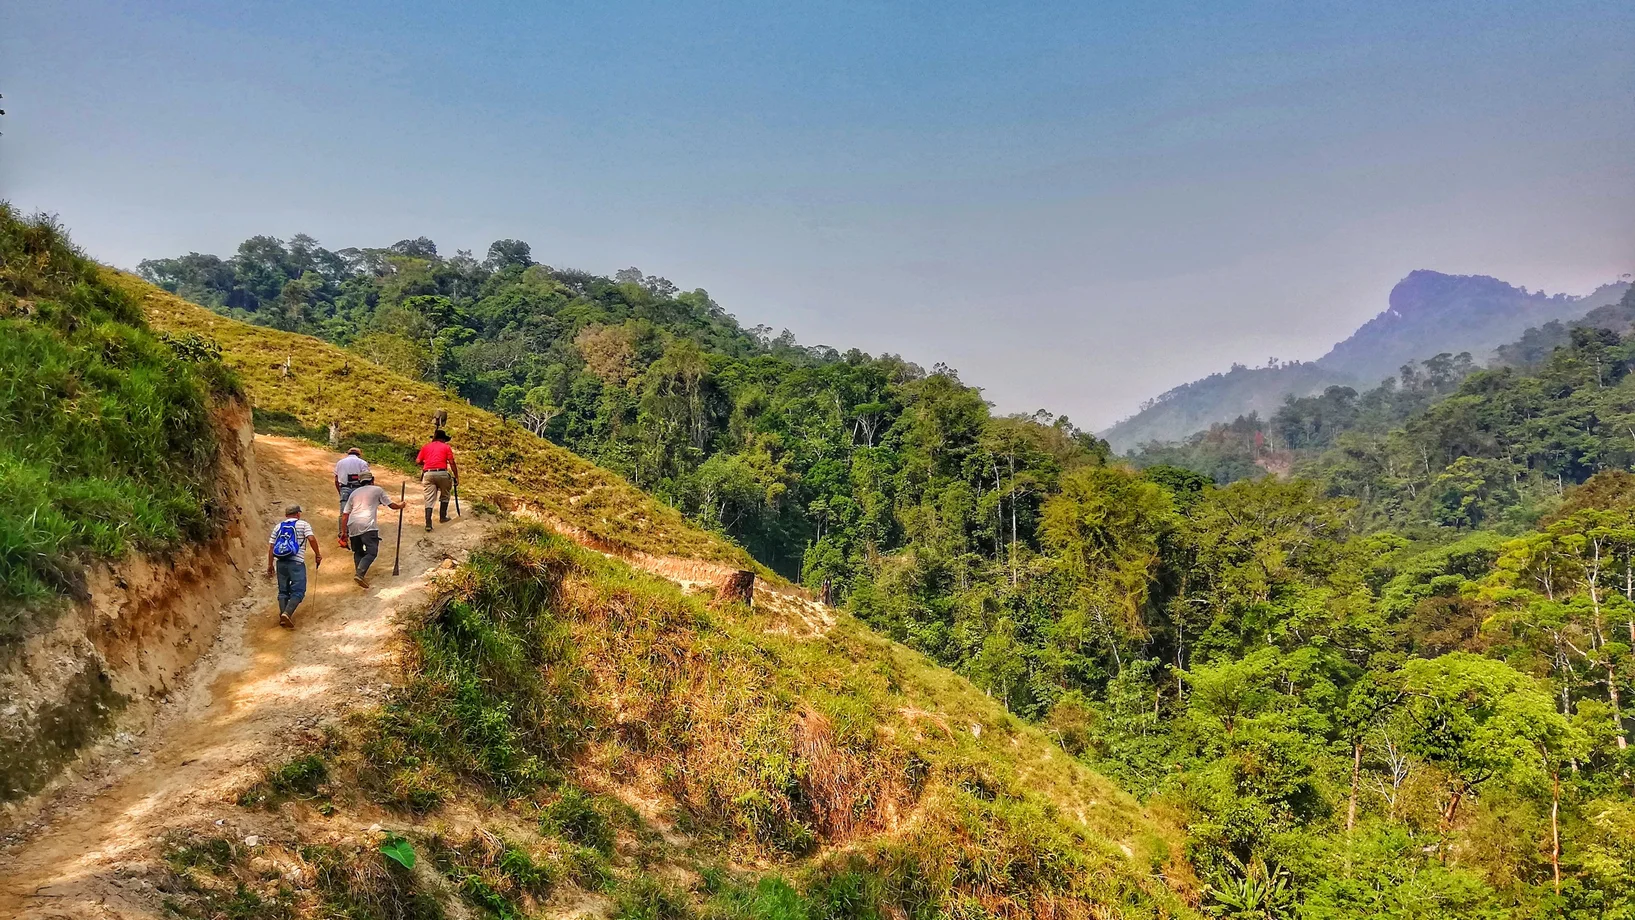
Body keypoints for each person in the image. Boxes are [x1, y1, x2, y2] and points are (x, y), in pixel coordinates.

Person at [340, 472, 403, 589]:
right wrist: (401, 506)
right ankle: (359, 573)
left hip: (352, 524)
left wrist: (344, 532)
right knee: (372, 551)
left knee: (358, 551)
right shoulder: (377, 490)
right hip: (367, 524)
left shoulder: (354, 493)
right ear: (372, 480)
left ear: (360, 482)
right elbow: (391, 505)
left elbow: (345, 514)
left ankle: (359, 574)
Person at [266, 504, 322, 628]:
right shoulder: (303, 524)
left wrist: (270, 565)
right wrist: (317, 554)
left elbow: (271, 547)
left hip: (280, 562)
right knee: (298, 590)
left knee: (283, 591)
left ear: (286, 515)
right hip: (296, 562)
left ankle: (282, 616)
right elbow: (311, 539)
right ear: (298, 514)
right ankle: (287, 613)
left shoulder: (278, 527)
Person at [415, 429, 460, 532]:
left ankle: (428, 523)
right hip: (442, 473)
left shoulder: (426, 447)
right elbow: (452, 462)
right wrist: (456, 476)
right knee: (445, 494)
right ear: (443, 439)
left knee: (429, 498)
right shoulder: (446, 447)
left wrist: (427, 464)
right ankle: (443, 517)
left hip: (428, 473)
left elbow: (418, 461)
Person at [333, 446, 370, 548]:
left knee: (344, 512)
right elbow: (367, 478)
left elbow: (336, 480)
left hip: (344, 488)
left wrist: (340, 491)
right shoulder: (362, 463)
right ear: (359, 454)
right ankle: (359, 534)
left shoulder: (340, 463)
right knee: (359, 511)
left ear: (348, 453)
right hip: (358, 489)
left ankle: (343, 535)